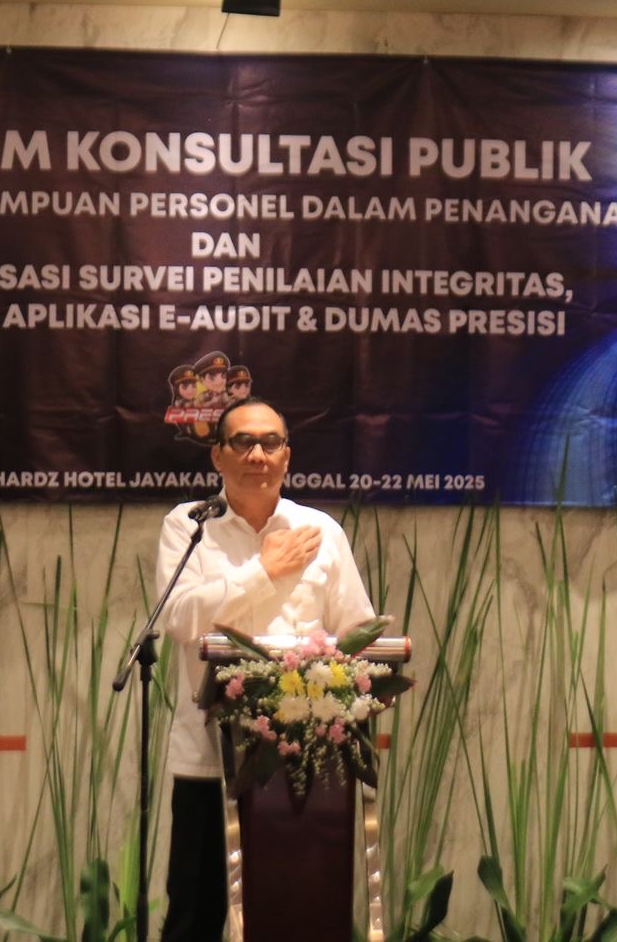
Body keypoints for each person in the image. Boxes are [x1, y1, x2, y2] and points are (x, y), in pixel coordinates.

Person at [156, 398, 375, 942]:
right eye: (243, 442)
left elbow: (358, 635)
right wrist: (264, 571)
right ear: (217, 456)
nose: (258, 454)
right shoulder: (190, 525)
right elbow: (179, 618)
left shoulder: (320, 531)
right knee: (194, 918)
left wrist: (368, 677)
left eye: (270, 443)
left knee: (298, 913)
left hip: (307, 762)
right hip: (209, 760)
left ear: (286, 456)